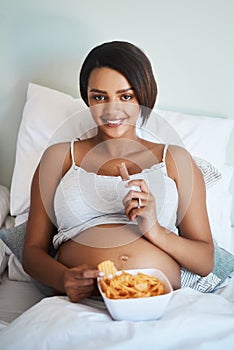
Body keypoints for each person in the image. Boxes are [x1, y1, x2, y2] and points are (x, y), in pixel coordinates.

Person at [22, 41, 214, 302]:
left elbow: (204, 262)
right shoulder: (59, 157)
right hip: (82, 305)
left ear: (144, 96)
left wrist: (155, 229)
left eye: (126, 96)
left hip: (161, 305)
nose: (112, 110)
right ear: (87, 97)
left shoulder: (176, 160)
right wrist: (62, 279)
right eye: (99, 97)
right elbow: (32, 252)